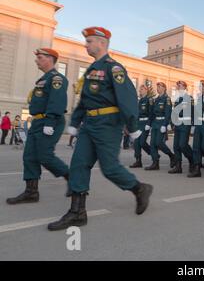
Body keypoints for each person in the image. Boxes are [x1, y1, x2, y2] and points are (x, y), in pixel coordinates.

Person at [47, 27, 153, 231]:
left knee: (110, 168)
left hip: (108, 123)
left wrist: (132, 126)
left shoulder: (114, 68)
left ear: (101, 43)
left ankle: (139, 189)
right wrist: (75, 123)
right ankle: (77, 212)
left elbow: (127, 98)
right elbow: (85, 99)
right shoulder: (91, 70)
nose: (86, 45)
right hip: (89, 123)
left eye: (89, 42)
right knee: (79, 164)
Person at [6, 48, 71, 205]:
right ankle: (31, 192)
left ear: (49, 59)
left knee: (44, 156)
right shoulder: (43, 79)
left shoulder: (56, 79)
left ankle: (72, 178)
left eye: (40, 57)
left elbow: (57, 101)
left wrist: (49, 122)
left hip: (51, 121)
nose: (36, 60)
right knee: (29, 157)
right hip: (38, 121)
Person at [145, 82, 176, 171]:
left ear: (164, 88)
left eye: (159, 87)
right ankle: (155, 163)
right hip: (155, 123)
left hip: (162, 122)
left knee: (159, 142)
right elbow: (152, 113)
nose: (157, 88)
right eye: (157, 86)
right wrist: (148, 123)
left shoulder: (167, 99)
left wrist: (165, 125)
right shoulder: (156, 100)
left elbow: (168, 113)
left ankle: (171, 155)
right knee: (152, 144)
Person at [168, 81, 194, 174]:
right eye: (177, 86)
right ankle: (178, 166)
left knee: (183, 145)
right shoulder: (177, 99)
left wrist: (193, 125)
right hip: (178, 123)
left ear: (185, 87)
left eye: (180, 85)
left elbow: (193, 111)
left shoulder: (189, 98)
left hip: (185, 123)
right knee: (176, 146)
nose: (178, 87)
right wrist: (172, 123)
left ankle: (192, 160)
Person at [129, 84, 153, 168]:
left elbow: (151, 113)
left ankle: (153, 154)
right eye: (140, 89)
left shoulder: (149, 100)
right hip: (138, 124)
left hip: (145, 123)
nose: (140, 91)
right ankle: (138, 161)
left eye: (142, 89)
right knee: (136, 143)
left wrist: (148, 124)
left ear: (146, 90)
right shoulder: (139, 100)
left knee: (142, 142)